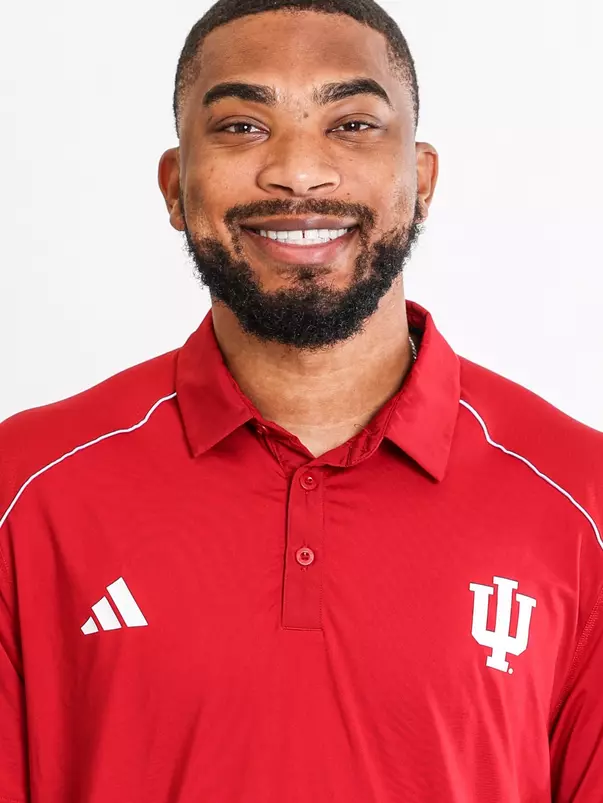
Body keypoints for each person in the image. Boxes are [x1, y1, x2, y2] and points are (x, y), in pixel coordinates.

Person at [0, 0, 602, 800]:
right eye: (243, 126)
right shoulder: (25, 486)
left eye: (350, 125)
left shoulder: (579, 495)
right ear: (175, 188)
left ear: (419, 181)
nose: (298, 170)